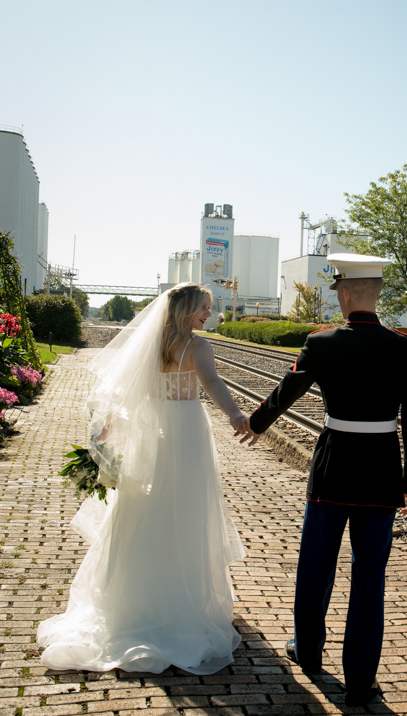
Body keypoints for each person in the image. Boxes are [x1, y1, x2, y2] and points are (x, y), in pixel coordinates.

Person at [244, 253, 407, 705]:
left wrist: (255, 423)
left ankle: (308, 653)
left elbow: (286, 392)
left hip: (332, 472)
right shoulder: (404, 348)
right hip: (382, 474)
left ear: (344, 294)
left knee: (316, 565)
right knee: (370, 577)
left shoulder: (321, 342)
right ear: (377, 294)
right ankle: (361, 681)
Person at [38, 283, 249, 674]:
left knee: (142, 507)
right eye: (204, 308)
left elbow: (130, 395)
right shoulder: (198, 347)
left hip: (151, 431)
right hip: (185, 432)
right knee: (185, 509)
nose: (209, 314)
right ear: (186, 309)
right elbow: (213, 384)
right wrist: (236, 415)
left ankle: (134, 598)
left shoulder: (151, 345)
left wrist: (109, 429)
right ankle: (178, 601)